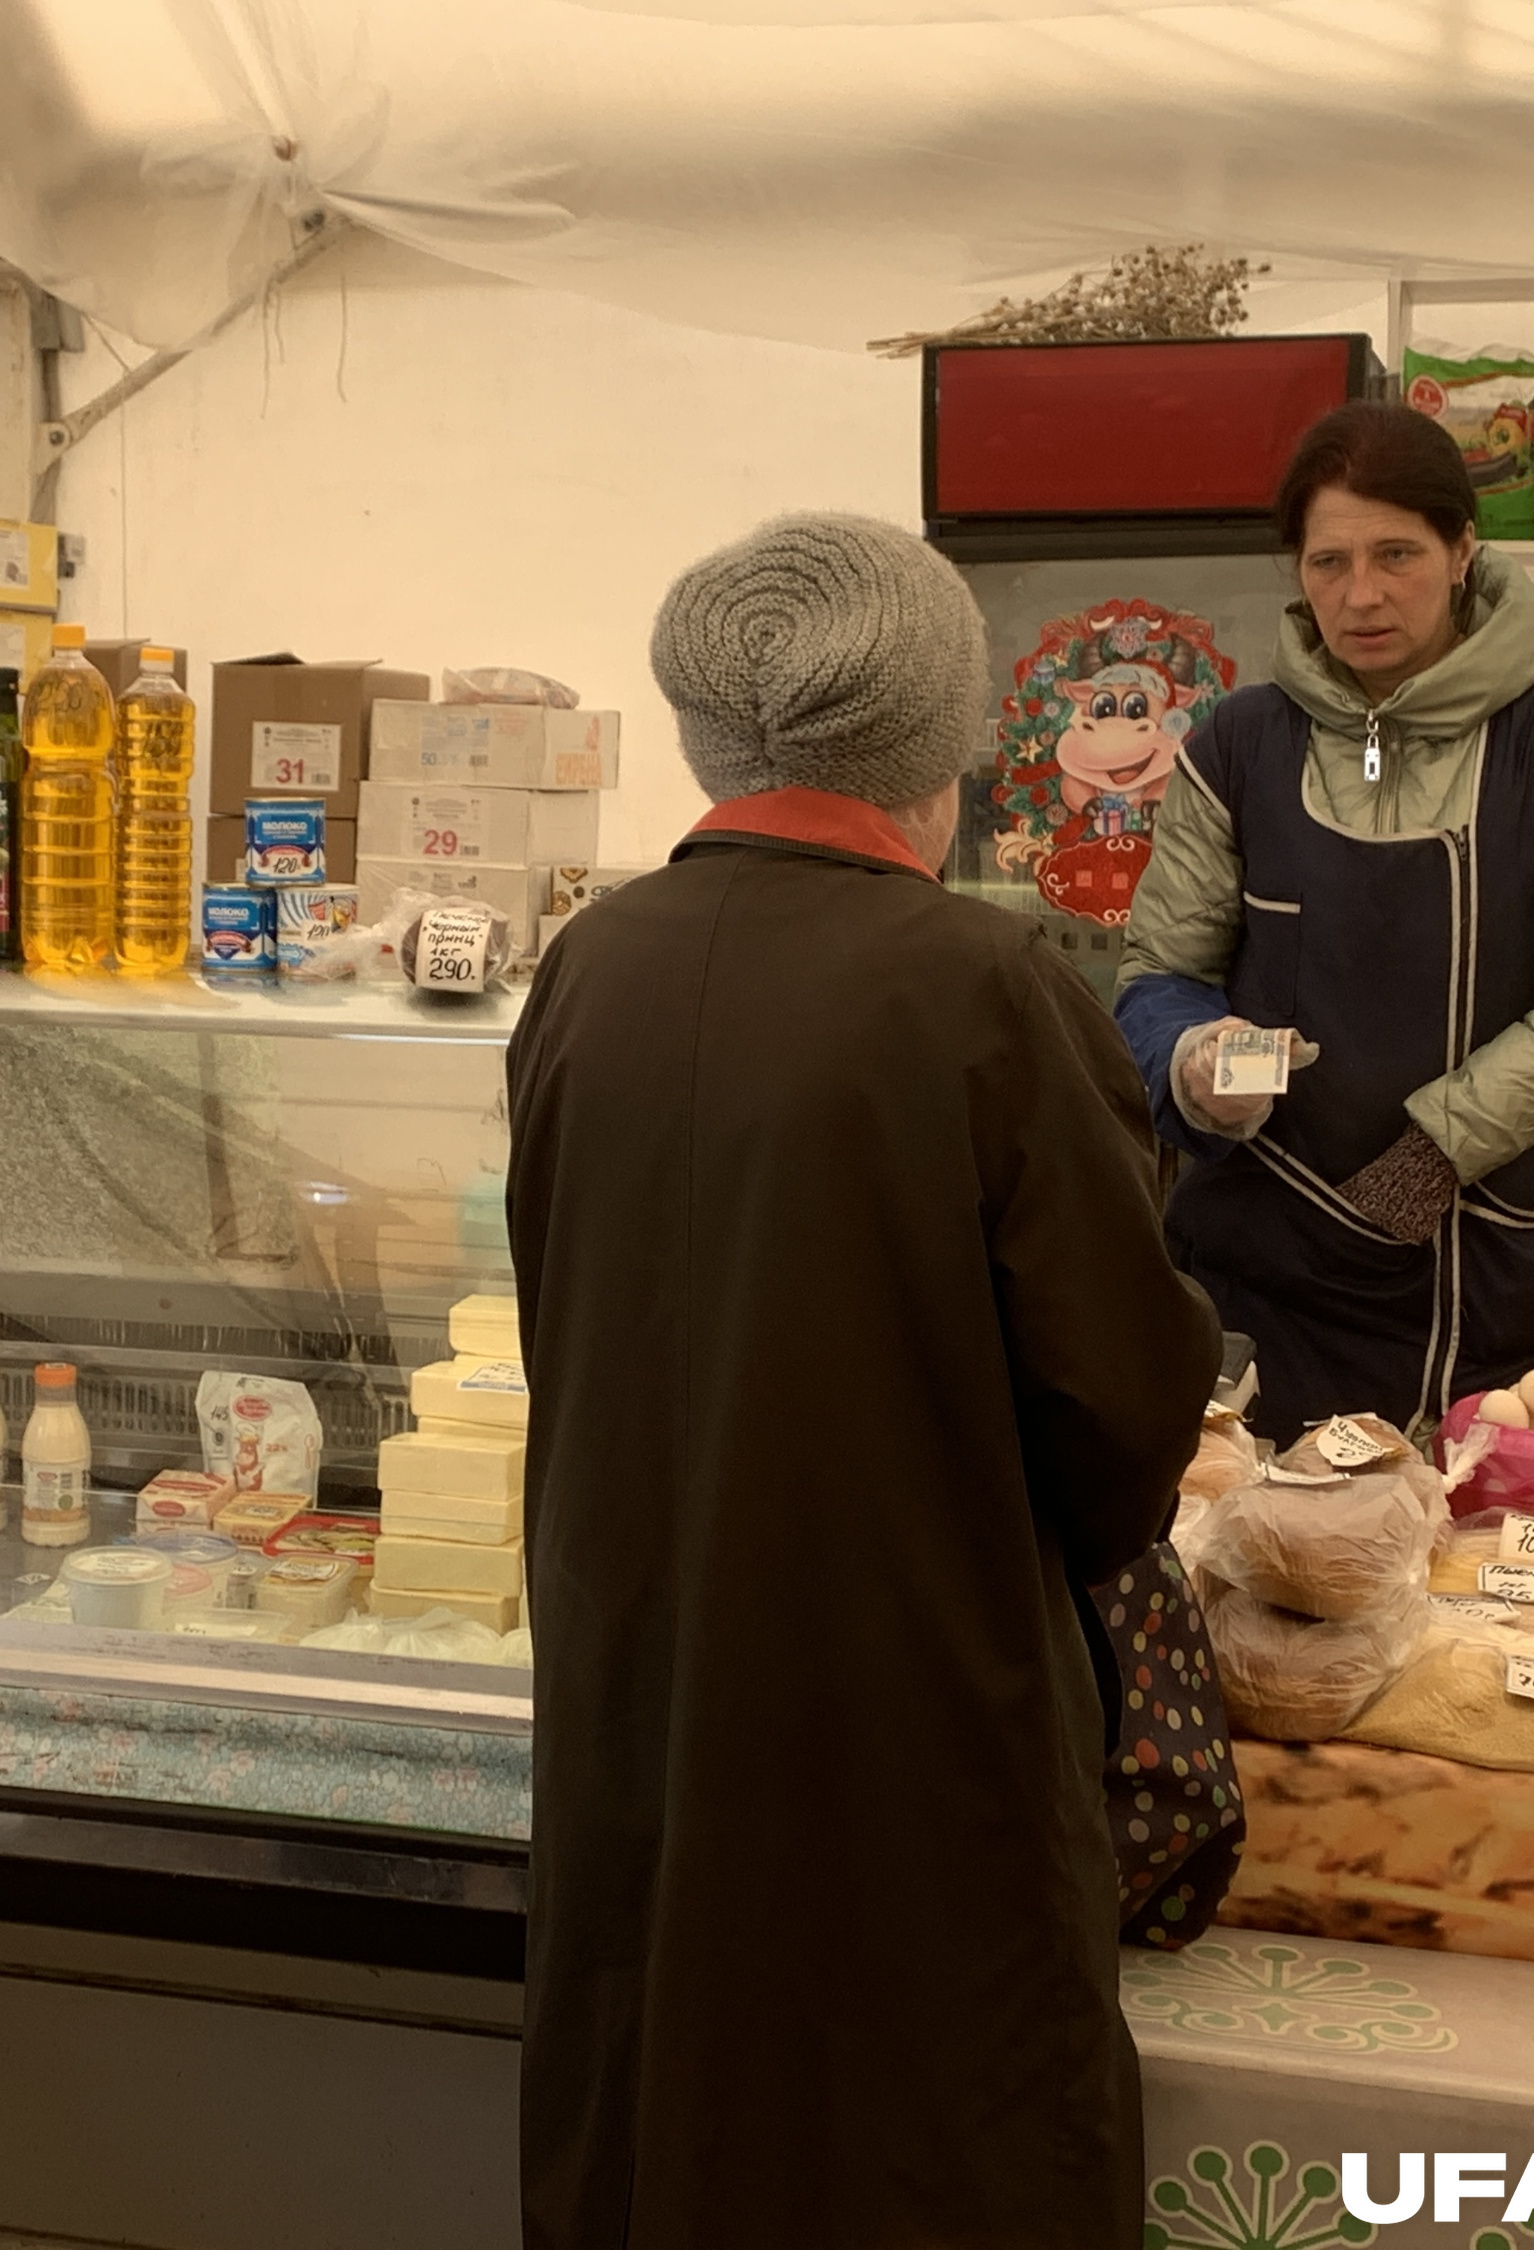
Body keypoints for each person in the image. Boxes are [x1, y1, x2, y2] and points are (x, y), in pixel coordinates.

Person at [508, 513, 1223, 2250]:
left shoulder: (589, 967)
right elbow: (1122, 1429)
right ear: (947, 749)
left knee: (666, 2143)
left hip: (644, 1712)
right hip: (915, 1748)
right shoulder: (982, 987)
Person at [1115, 402, 1534, 1440]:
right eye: (1328, 561)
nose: (1362, 594)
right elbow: (1159, 973)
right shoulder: (1235, 746)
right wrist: (1193, 1064)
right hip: (1279, 1287)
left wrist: (1439, 1148)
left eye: (1396, 554)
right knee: (1288, 1584)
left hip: (1523, 1278)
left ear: (1464, 549)